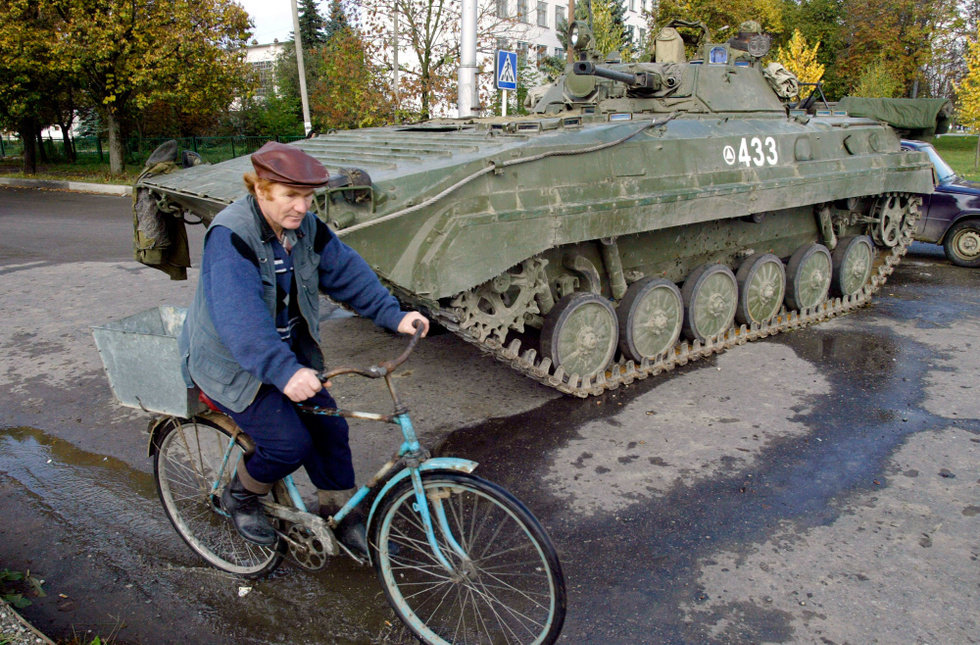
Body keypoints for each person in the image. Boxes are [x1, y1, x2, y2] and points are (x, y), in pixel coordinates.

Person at [178, 141, 429, 553]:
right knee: (288, 444)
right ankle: (240, 495)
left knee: (330, 428)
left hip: (286, 358)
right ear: (261, 190)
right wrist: (283, 371)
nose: (302, 207)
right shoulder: (231, 235)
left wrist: (394, 314)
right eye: (291, 196)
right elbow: (240, 321)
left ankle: (340, 513)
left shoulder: (303, 228)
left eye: (309, 197)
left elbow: (346, 270)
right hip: (234, 365)